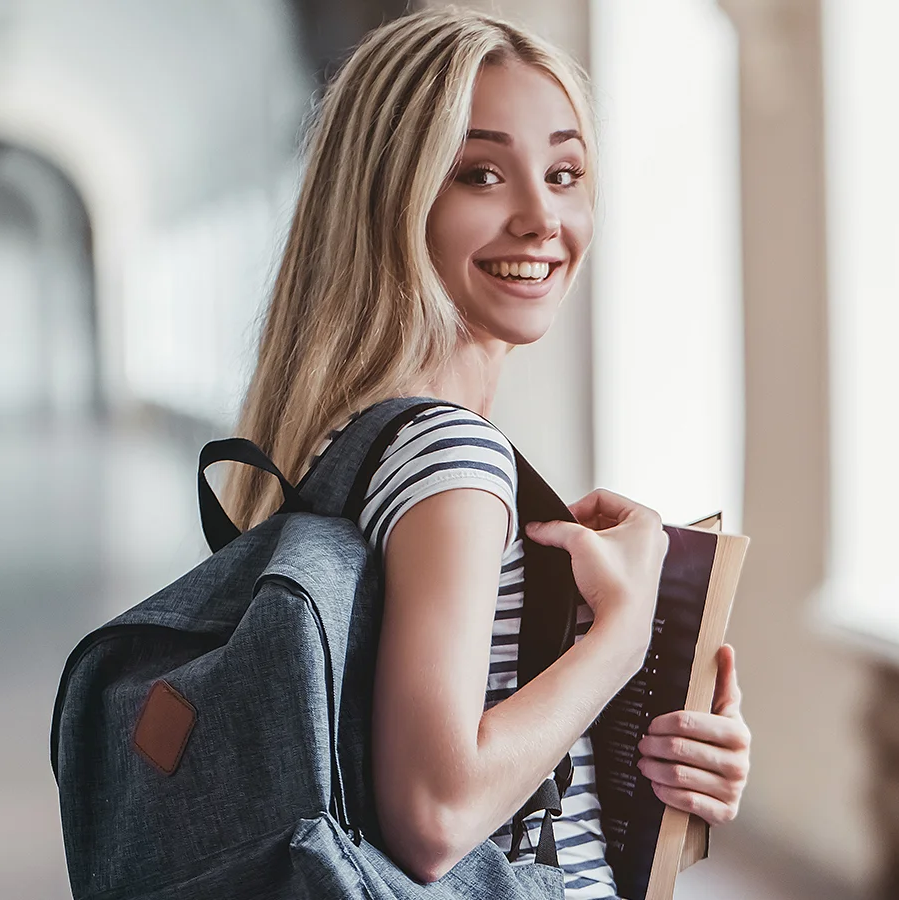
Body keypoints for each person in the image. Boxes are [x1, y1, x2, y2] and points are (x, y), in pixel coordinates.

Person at [221, 11, 751, 895]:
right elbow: (435, 816)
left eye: (566, 172)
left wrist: (659, 759)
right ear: (393, 194)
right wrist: (618, 639)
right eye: (482, 173)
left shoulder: (342, 441)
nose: (542, 216)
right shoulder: (449, 456)